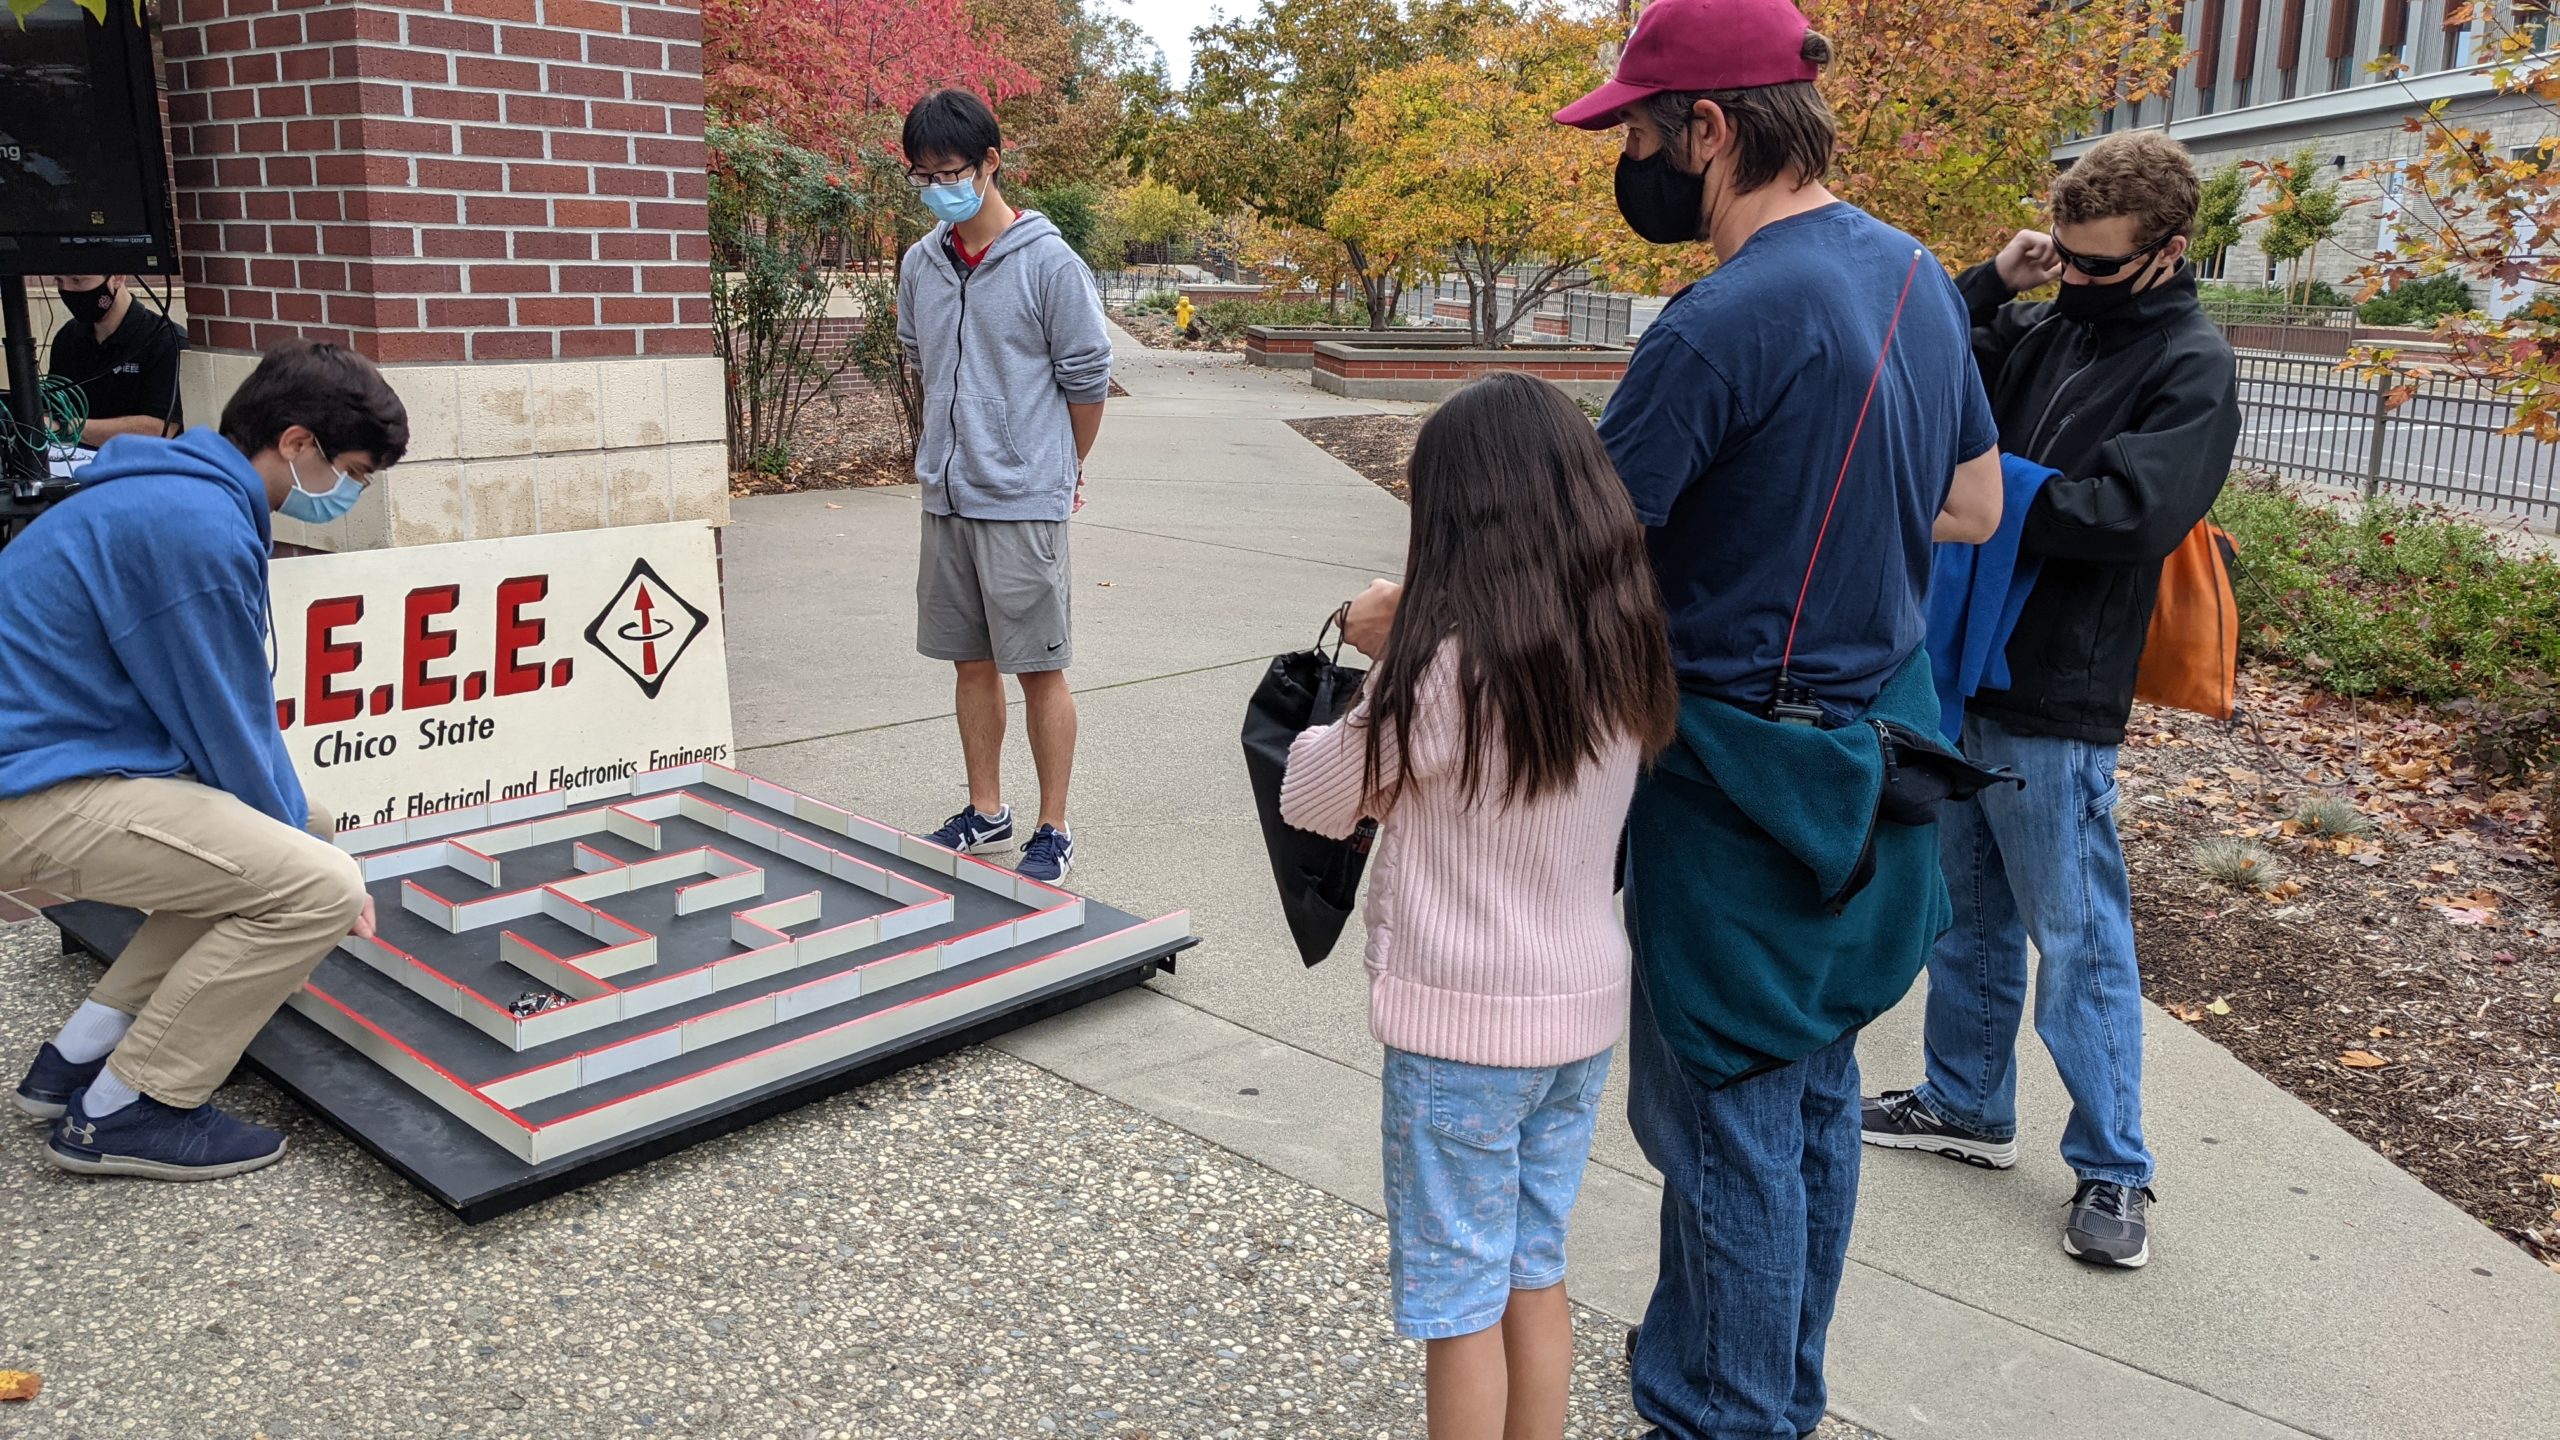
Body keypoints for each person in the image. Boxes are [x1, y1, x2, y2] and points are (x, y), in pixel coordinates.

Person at [1859, 131, 2243, 1270]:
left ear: (2167, 254)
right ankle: (1965, 1102)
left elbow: (2128, 515)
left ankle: (2115, 1169)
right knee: (1965, 913)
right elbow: (1936, 373)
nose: (2075, 279)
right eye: (2063, 256)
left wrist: (1993, 492)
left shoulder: (2190, 363)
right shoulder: (2050, 320)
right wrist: (1992, 282)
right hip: (1964, 663)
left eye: (2098, 264)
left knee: (2078, 937)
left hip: (2058, 688)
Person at [1283, 373, 1678, 1440]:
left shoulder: (1441, 670)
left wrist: (1379, 650)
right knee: (1532, 1264)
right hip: (1578, 1009)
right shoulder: (1625, 644)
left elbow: (1314, 797)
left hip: (1459, 1025)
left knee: (1457, 1295)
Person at [3, 339, 402, 1180]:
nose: (353, 492)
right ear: (297, 443)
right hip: (29, 788)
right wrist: (331, 883)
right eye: (355, 471)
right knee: (314, 882)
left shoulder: (177, 491)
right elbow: (227, 721)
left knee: (306, 829)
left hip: (58, 759)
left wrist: (304, 835)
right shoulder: (196, 528)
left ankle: (80, 1057)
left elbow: (225, 733)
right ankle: (133, 1107)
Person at [896, 88, 1113, 885]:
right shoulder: (922, 262)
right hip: (947, 498)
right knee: (969, 663)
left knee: (1039, 668)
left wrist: (1059, 468)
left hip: (1021, 500)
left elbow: (1087, 384)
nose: (938, 188)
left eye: (950, 171)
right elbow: (920, 359)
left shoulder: (1050, 263)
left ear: (992, 162)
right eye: (922, 175)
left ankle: (1052, 828)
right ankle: (986, 810)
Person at [49, 274, 186, 444]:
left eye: (77, 280)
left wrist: (64, 427)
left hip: (144, 466)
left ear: (117, 278)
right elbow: (51, 407)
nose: (68, 290)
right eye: (59, 281)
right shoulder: (68, 337)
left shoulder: (166, 341)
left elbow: (158, 430)